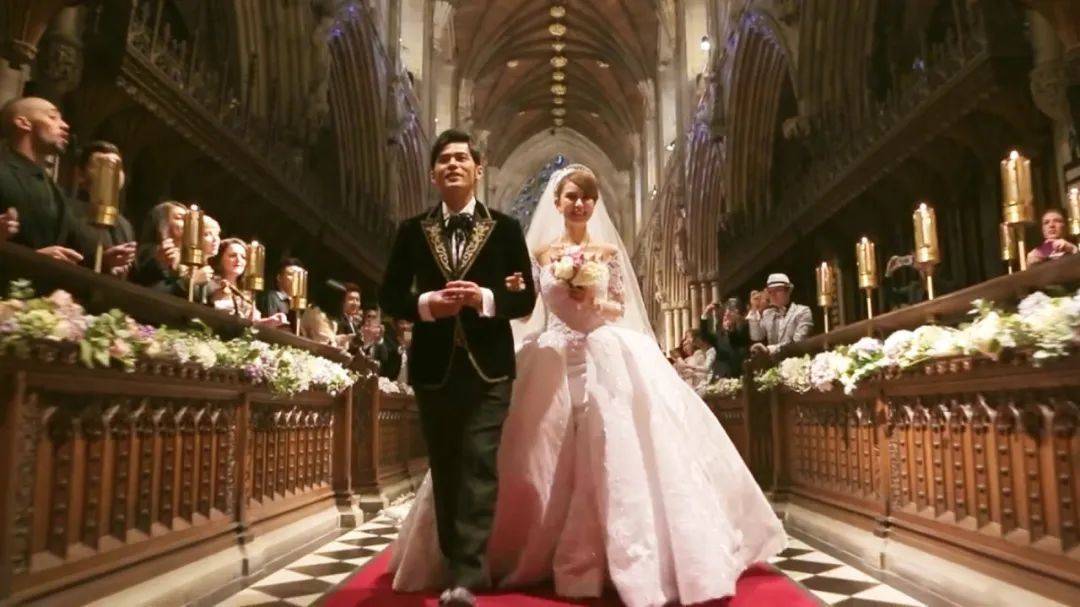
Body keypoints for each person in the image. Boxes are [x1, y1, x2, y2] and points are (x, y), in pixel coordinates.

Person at [389, 164, 785, 607]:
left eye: (586, 197)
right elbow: (526, 310)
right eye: (571, 197)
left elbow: (618, 307)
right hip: (554, 351)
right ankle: (494, 551)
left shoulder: (608, 252)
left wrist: (592, 300)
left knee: (620, 441)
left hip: (603, 348)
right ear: (557, 203)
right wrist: (515, 292)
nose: (579, 204)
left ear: (595, 204)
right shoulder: (541, 254)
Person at [380, 129, 537, 607]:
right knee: (446, 466)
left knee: (478, 462)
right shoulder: (412, 231)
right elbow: (389, 295)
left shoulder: (506, 229)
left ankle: (468, 575)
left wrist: (484, 298)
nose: (453, 164)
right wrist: (428, 305)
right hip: (434, 367)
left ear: (478, 169)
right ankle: (455, 566)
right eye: (444, 159)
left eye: (461, 158)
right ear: (433, 173)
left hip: (489, 368)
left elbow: (524, 299)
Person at [0, 97, 82, 263]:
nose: (65, 125)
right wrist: (33, 259)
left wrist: (105, 262)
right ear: (23, 123)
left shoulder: (55, 188)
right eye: (52, 117)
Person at [69, 140, 138, 277]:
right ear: (80, 174)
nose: (112, 172)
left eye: (117, 167)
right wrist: (101, 262)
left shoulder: (125, 225)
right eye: (102, 165)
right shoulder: (67, 210)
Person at [208, 238, 285, 327]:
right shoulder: (211, 285)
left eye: (243, 257)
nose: (239, 260)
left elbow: (250, 325)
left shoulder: (246, 293)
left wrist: (270, 321)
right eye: (232, 255)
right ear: (220, 259)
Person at [749, 273, 814, 356]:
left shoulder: (802, 311)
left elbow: (798, 342)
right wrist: (754, 309)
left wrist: (770, 349)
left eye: (777, 290)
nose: (773, 295)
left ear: (789, 290)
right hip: (776, 362)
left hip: (800, 360)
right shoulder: (767, 314)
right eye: (770, 291)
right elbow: (756, 337)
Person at [702, 298, 751, 378]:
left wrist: (731, 329)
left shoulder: (743, 329)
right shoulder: (718, 336)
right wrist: (705, 314)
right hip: (720, 376)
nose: (726, 317)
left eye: (732, 311)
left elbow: (736, 341)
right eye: (725, 317)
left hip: (737, 374)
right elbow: (704, 335)